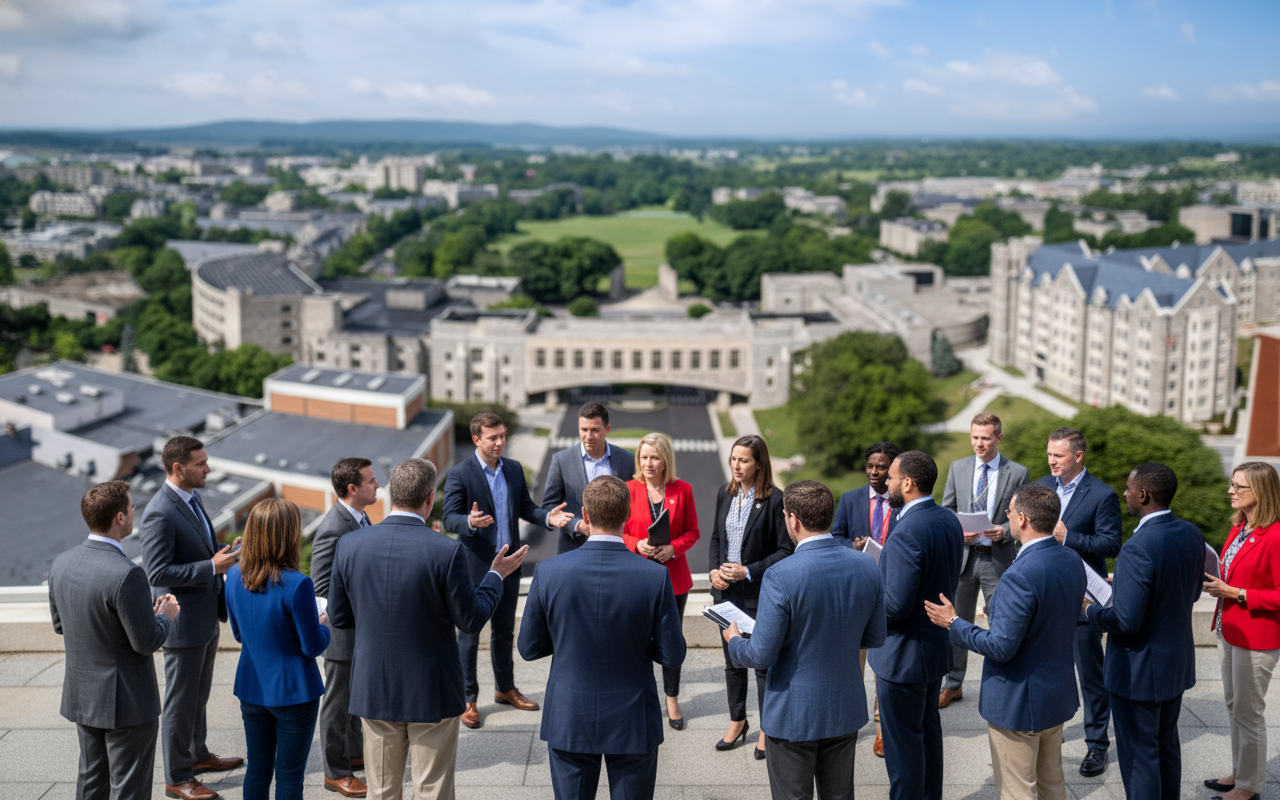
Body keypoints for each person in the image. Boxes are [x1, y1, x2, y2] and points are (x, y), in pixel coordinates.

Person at [329, 458, 528, 800]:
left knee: (381, 792)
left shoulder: (350, 545)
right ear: (429, 498)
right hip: (431, 691)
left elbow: (340, 616)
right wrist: (496, 576)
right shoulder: (446, 550)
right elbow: (471, 620)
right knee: (432, 792)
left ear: (394, 494)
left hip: (373, 687)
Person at [518, 475, 687, 800]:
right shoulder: (654, 576)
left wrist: (566, 638)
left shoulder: (549, 571)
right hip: (632, 718)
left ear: (586, 513)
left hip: (570, 714)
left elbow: (528, 647)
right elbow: (672, 655)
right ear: (627, 515)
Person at [723, 480, 885, 800]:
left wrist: (734, 641)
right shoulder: (867, 565)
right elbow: (875, 636)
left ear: (792, 520)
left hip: (793, 714)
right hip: (845, 707)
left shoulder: (781, 575)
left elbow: (761, 654)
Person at [925, 484, 1084, 800]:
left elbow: (1000, 647)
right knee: (1052, 785)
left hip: (1019, 702)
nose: (1008, 516)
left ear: (1022, 519)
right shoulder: (1070, 559)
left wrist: (953, 623)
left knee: (1017, 792)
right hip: (1056, 692)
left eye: (1010, 512)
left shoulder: (1019, 575)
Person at [50, 481, 180, 800]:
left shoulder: (60, 563)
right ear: (120, 517)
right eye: (133, 507)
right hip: (128, 703)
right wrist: (165, 617)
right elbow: (146, 642)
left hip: (83, 696)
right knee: (129, 788)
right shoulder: (126, 573)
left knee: (92, 781)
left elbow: (60, 625)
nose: (135, 512)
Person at [441, 412, 572, 729]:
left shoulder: (512, 469)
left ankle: (505, 688)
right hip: (475, 566)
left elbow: (526, 508)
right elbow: (449, 519)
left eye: (503, 436)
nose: (500, 442)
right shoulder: (460, 474)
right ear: (476, 440)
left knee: (504, 632)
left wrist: (546, 518)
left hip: (509, 564)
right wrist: (469, 523)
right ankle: (467, 697)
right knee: (469, 635)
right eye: (493, 438)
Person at [1084, 463, 1203, 800]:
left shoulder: (1137, 548)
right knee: (1166, 746)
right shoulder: (1191, 533)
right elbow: (1189, 593)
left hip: (1138, 672)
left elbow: (1125, 621)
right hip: (1174, 663)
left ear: (1144, 495)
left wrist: (1090, 610)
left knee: (1139, 757)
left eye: (1128, 488)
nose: (1124, 493)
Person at [140, 436, 245, 800]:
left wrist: (221, 555)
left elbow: (197, 550)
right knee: (181, 702)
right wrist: (210, 567)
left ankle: (197, 756)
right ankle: (177, 777)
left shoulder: (192, 497)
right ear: (178, 468)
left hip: (204, 615)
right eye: (201, 464)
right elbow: (157, 573)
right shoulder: (158, 511)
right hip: (182, 624)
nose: (208, 468)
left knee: (197, 697)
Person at [867, 451, 962, 800]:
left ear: (907, 483)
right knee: (928, 736)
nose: (886, 483)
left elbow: (895, 604)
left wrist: (865, 600)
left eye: (891, 477)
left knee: (903, 750)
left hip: (903, 658)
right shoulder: (948, 519)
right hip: (933, 650)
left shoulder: (908, 530)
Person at [225, 499, 331, 800]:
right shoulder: (298, 584)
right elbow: (312, 646)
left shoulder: (233, 576)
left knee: (257, 770)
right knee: (289, 777)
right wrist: (324, 626)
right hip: (293, 691)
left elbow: (237, 633)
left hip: (251, 685)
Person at [1034, 426, 1121, 778]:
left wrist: (1070, 537)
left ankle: (1097, 744)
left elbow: (1112, 544)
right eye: (1050, 454)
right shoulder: (1040, 485)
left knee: (1089, 673)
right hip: (1044, 593)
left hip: (1085, 598)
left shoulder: (1102, 494)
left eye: (1059, 455)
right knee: (1042, 666)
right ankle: (1041, 732)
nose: (1051, 461)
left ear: (1078, 456)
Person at [938, 412, 1030, 709]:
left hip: (997, 558)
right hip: (963, 558)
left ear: (998, 438)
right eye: (975, 437)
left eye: (985, 438)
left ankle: (1006, 680)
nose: (979, 443)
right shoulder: (958, 467)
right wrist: (957, 530)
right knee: (957, 619)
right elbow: (947, 508)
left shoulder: (1017, 472)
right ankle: (953, 684)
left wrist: (1003, 530)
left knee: (1002, 620)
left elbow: (1021, 516)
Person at [707, 434, 792, 758]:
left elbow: (787, 549)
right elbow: (716, 538)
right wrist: (714, 570)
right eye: (733, 459)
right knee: (732, 662)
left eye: (743, 460)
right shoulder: (724, 493)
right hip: (725, 593)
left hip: (757, 595)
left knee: (761, 665)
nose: (736, 466)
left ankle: (767, 729)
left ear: (759, 463)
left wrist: (749, 570)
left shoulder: (774, 500)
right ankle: (737, 721)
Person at [1202, 461, 1280, 800]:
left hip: (1257, 637)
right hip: (1229, 629)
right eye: (1232, 484)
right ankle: (1240, 771)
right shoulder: (1241, 526)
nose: (1230, 491)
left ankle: (1249, 787)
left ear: (1260, 492)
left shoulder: (1276, 536)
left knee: (1249, 711)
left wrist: (1237, 593)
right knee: (1235, 705)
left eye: (1238, 487)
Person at [311, 458, 379, 798]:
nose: (378, 485)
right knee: (336, 705)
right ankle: (334, 772)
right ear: (352, 488)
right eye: (371, 480)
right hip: (341, 634)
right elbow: (320, 586)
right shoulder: (333, 528)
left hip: (360, 631)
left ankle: (353, 753)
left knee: (353, 700)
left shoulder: (362, 517)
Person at [623, 431, 700, 730]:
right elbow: (618, 531)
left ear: (666, 459)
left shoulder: (683, 490)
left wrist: (674, 548)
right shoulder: (628, 489)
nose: (649, 463)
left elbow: (692, 531)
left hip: (673, 578)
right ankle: (639, 695)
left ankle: (671, 697)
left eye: (655, 457)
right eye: (644, 457)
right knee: (636, 639)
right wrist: (635, 544)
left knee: (671, 640)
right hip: (638, 577)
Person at [831, 440, 901, 758]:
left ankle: (882, 730)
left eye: (881, 466)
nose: (874, 471)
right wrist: (852, 547)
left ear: (893, 468)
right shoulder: (850, 499)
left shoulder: (903, 502)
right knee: (852, 663)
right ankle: (846, 722)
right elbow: (834, 537)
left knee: (883, 664)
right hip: (857, 591)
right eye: (870, 465)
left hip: (891, 591)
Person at [542, 402, 635, 554]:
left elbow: (634, 503)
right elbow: (548, 507)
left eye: (595, 430)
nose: (588, 436)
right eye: (584, 430)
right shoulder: (561, 460)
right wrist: (577, 525)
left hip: (616, 551)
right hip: (574, 550)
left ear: (607, 429)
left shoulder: (627, 460)